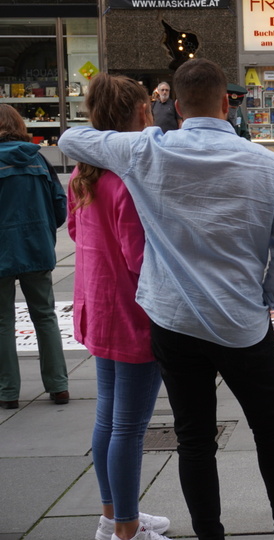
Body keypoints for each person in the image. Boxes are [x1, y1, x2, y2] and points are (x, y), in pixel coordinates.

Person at [59, 59, 274, 540]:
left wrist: (142, 133)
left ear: (175, 105)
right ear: (226, 102)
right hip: (240, 319)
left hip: (173, 321)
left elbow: (71, 139)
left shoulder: (147, 150)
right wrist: (269, 297)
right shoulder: (266, 163)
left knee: (195, 438)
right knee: (273, 427)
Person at [67, 74, 171, 540]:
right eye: (146, 106)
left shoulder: (82, 174)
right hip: (132, 314)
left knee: (108, 417)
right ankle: (127, 528)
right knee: (129, 426)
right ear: (136, 113)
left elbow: (74, 232)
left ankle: (113, 516)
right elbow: (139, 256)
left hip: (97, 305)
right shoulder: (126, 179)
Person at [0, 104, 69, 411]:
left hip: (2, 250)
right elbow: (59, 205)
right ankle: (58, 386)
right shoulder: (38, 160)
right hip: (37, 248)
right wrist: (42, 230)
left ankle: (8, 391)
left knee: (2, 322)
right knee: (45, 316)